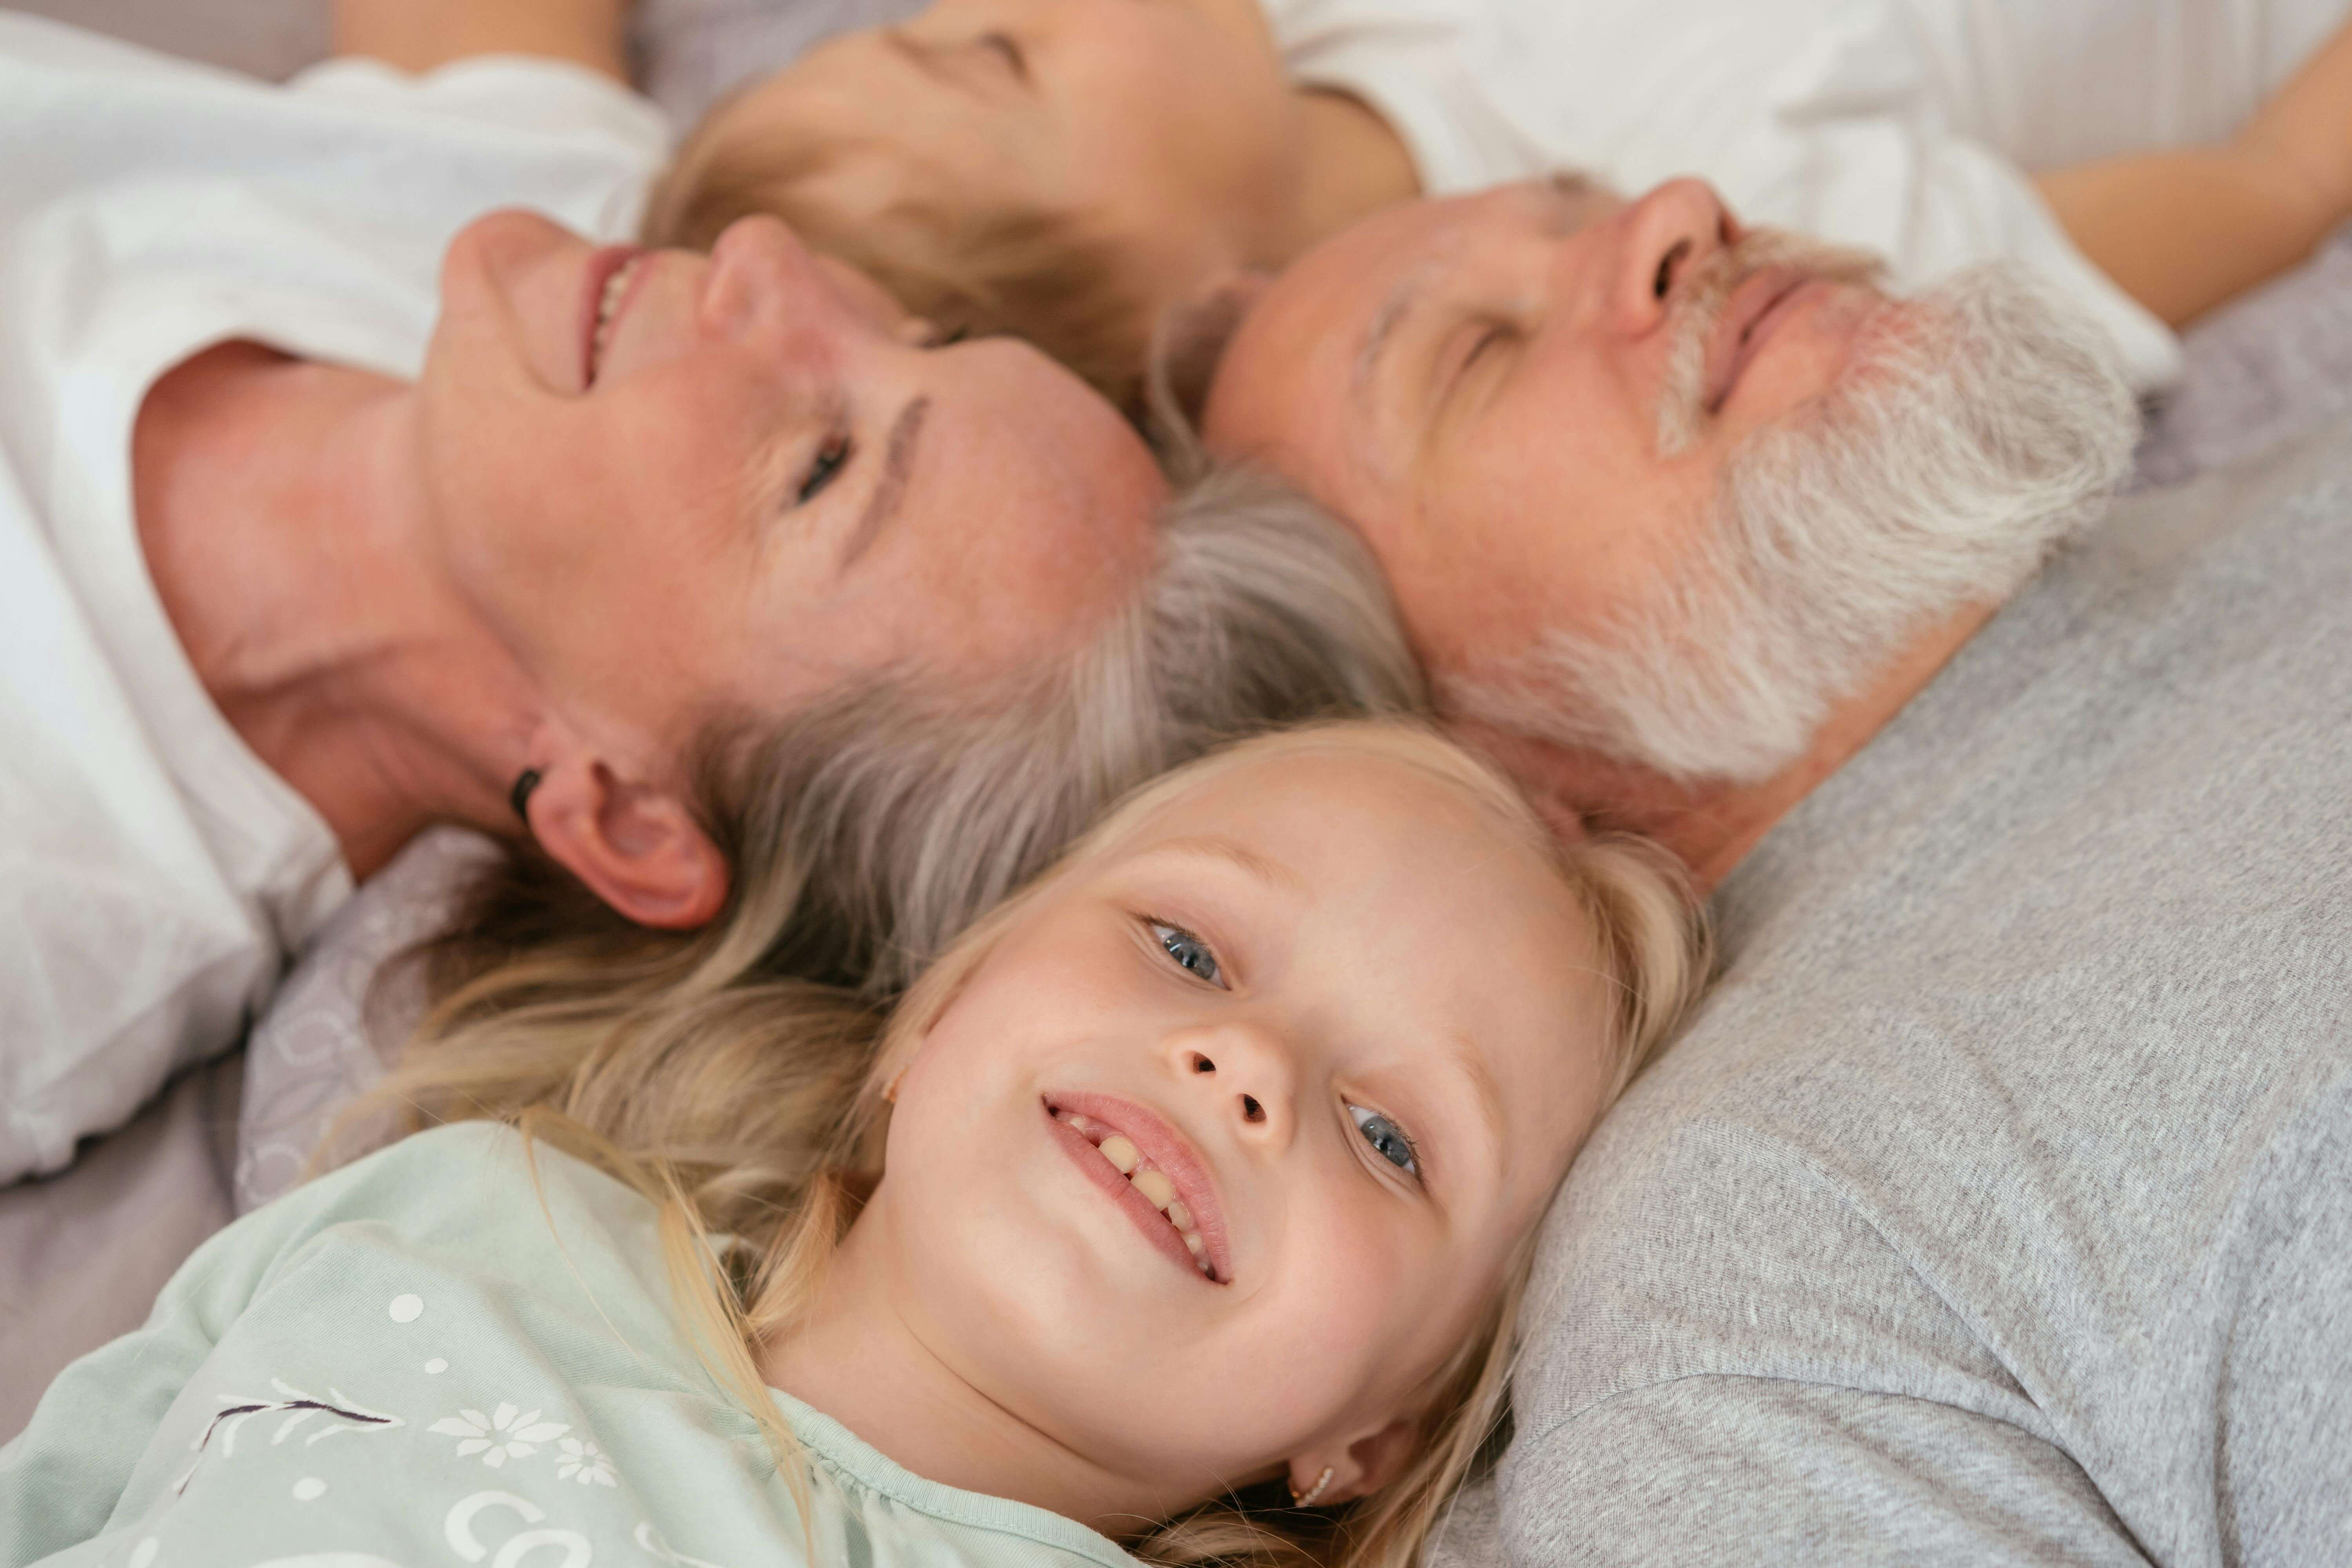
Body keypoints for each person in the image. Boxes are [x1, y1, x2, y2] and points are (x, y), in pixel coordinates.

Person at [0, 12, 1421, 1185]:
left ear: (624, 817)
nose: (767, 262)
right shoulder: (564, 215)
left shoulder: (46, 906)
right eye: (915, 329)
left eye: (818, 468)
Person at [1205, 172, 2352, 1557]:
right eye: (1483, 353)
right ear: (1457, 755)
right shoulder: (1756, 1267)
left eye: (1585, 204)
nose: (1682, 210)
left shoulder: (2275, 424)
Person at [0, 721, 1708, 1568]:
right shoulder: (468, 1211)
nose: (1244, 1060)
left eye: (1391, 1133)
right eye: (1187, 948)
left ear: (1372, 1433)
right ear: (934, 1014)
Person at [633, 0, 2352, 407]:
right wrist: (2295, 161)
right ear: (1200, 307)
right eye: (996, 57)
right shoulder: (1663, 250)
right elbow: (2249, 195)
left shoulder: (1295, 37)